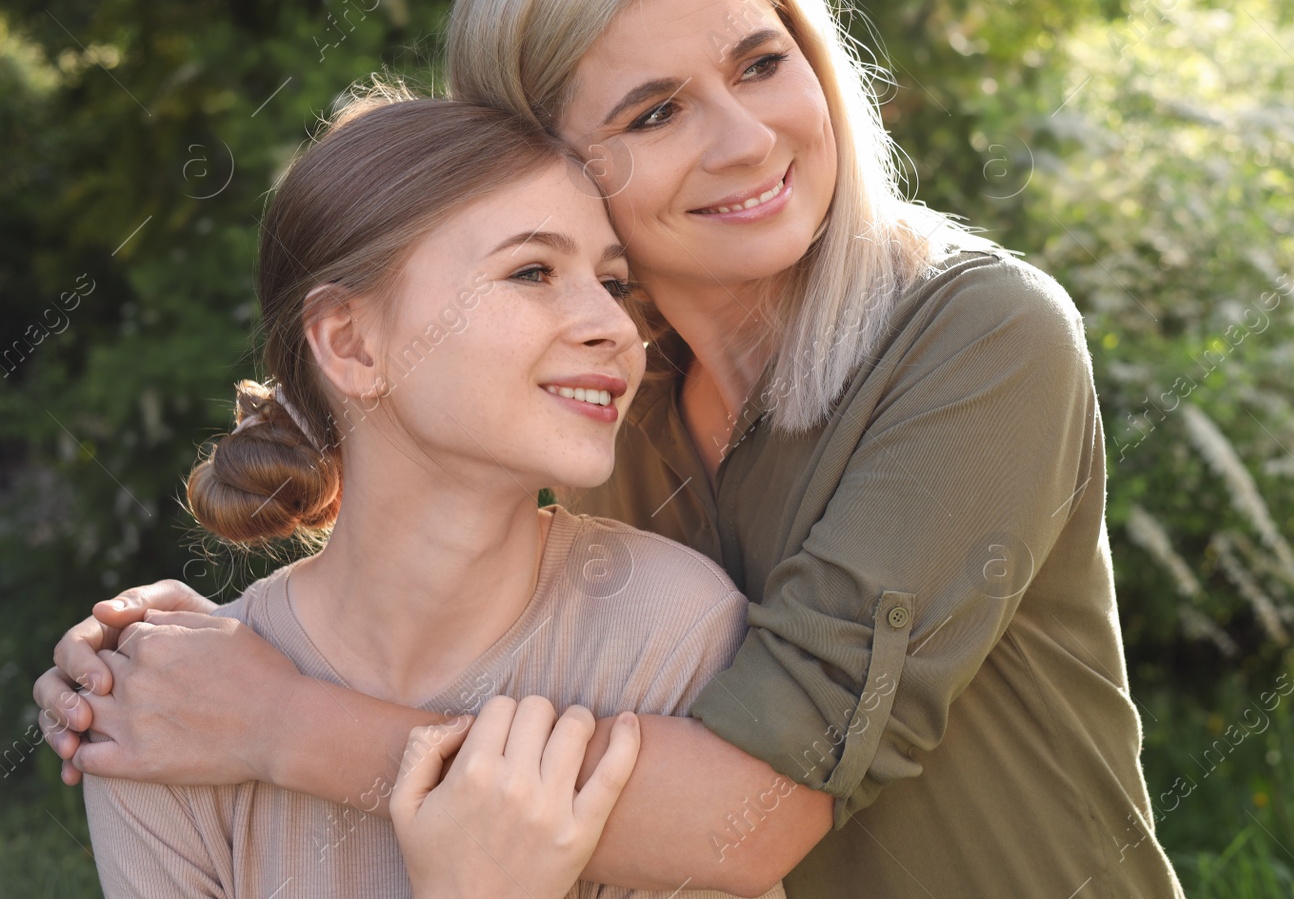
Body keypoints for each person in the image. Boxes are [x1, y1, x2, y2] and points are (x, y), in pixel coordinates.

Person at [37, 0, 1184, 897]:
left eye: (759, 60)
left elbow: (753, 811)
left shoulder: (978, 334)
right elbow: (426, 542)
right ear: (543, 163)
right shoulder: (593, 397)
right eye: (655, 110)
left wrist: (277, 721)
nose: (744, 139)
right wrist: (148, 664)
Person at [77, 91, 784, 899]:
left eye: (614, 282)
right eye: (531, 270)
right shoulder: (163, 705)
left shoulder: (671, 632)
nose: (616, 327)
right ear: (351, 342)